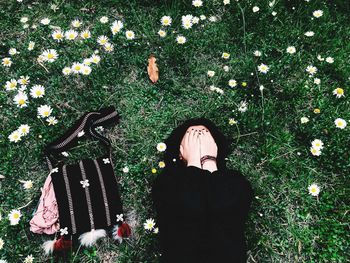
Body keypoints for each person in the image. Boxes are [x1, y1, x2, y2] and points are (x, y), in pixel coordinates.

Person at [152, 118, 254, 263]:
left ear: (215, 148)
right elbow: (189, 208)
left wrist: (209, 162)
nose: (199, 145)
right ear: (180, 152)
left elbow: (226, 209)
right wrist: (195, 161)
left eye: (205, 140)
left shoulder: (235, 182)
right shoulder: (167, 183)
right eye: (192, 139)